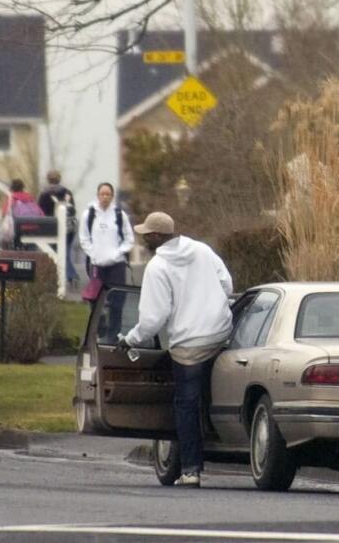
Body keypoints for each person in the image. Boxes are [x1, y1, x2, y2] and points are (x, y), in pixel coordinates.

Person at [117, 212, 233, 488]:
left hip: (189, 345)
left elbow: (153, 319)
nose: (143, 237)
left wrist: (131, 340)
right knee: (214, 395)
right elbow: (227, 284)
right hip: (219, 333)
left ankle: (191, 469)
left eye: (146, 234)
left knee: (186, 404)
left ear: (156, 237)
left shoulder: (158, 267)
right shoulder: (203, 250)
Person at [78, 182, 134, 286]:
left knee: (117, 297)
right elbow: (84, 238)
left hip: (117, 265)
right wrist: (93, 253)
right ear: (97, 195)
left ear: (112, 196)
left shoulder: (120, 215)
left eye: (108, 194)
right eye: (102, 194)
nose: (105, 197)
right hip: (96, 265)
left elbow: (129, 239)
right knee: (97, 298)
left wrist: (118, 253)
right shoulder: (88, 215)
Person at [37, 170, 78, 283]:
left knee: (54, 253)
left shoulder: (44, 194)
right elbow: (73, 209)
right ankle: (70, 276)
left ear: (48, 179)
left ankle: (62, 276)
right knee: (66, 251)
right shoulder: (67, 192)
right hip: (69, 226)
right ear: (59, 179)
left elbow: (40, 212)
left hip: (51, 227)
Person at [0, 179, 43, 250]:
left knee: (13, 248)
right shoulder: (30, 198)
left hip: (18, 229)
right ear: (22, 188)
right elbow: (41, 214)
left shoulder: (11, 198)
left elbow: (4, 213)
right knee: (32, 252)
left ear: (12, 188)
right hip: (33, 228)